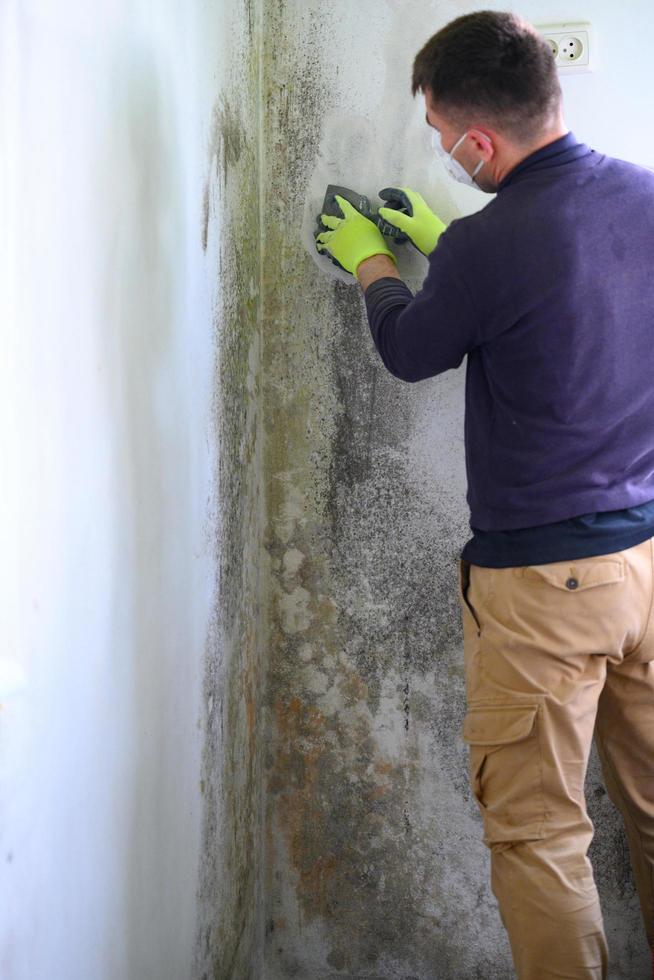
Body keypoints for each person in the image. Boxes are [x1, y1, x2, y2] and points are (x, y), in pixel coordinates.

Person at [315, 10, 654, 980]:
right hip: (648, 559)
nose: (437, 150)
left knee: (542, 836)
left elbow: (414, 349)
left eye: (436, 134)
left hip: (546, 587)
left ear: (475, 140)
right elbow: (573, 307)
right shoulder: (644, 195)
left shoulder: (487, 243)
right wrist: (451, 246)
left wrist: (377, 263)